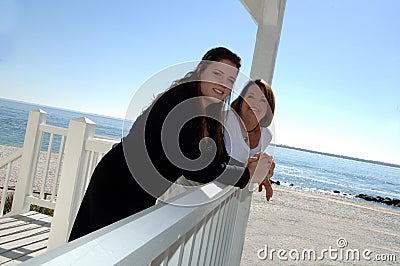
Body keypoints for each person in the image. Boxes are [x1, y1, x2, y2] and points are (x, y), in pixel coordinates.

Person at [69, 47, 273, 241]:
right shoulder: (180, 102)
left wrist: (248, 166)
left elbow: (217, 157)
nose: (223, 84)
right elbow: (198, 167)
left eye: (230, 79)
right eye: (217, 74)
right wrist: (246, 175)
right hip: (118, 183)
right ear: (201, 70)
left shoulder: (209, 110)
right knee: (94, 250)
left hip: (143, 190)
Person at [224, 79, 276, 201]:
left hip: (232, 198)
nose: (255, 104)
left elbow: (253, 168)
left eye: (263, 100)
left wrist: (263, 173)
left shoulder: (266, 135)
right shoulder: (225, 120)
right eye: (251, 97)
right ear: (241, 101)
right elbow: (216, 163)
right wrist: (253, 169)